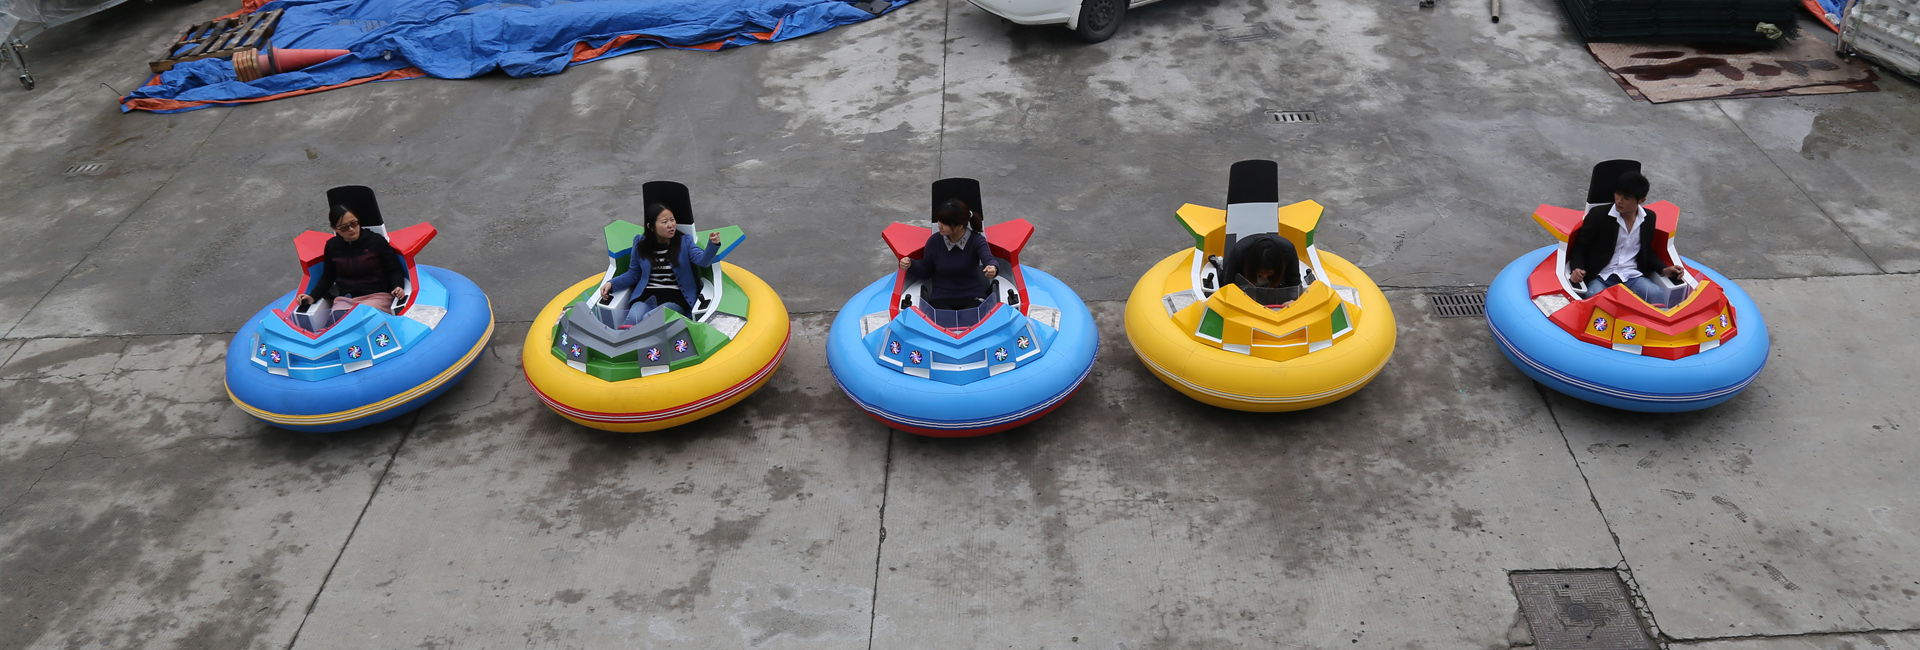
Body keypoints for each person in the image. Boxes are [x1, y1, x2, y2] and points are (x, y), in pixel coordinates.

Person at [1565, 171, 1683, 306]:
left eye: (1626, 198)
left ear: (1641, 200)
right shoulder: (1598, 215)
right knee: (1597, 299)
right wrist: (1577, 268)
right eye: (1618, 194)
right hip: (1601, 276)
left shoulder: (1649, 218)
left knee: (1655, 293)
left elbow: (1646, 250)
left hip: (1632, 275)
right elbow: (1580, 247)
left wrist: (1663, 269)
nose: (1619, 201)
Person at [600, 202, 722, 325]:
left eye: (672, 220)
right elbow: (633, 274)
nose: (670, 225)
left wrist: (713, 245)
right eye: (664, 222)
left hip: (675, 297)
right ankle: (623, 337)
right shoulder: (640, 244)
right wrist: (611, 284)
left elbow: (703, 261)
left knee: (650, 320)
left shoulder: (685, 242)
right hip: (646, 295)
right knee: (633, 319)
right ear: (651, 227)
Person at [297, 204, 408, 322]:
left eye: (354, 223)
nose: (351, 229)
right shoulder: (332, 246)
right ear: (335, 229)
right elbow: (328, 277)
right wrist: (312, 296)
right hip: (346, 300)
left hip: (377, 296)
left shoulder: (376, 241)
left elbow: (394, 269)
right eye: (344, 227)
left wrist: (397, 286)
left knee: (361, 317)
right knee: (337, 320)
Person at [898, 198, 998, 311]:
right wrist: (910, 265)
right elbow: (926, 271)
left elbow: (988, 259)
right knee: (941, 320)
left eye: (944, 223)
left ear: (959, 226)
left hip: (973, 297)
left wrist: (992, 268)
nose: (939, 225)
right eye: (939, 221)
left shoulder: (977, 241)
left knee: (974, 317)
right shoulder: (934, 241)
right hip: (941, 299)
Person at [1233, 235, 1302, 308]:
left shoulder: (1289, 251)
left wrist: (1293, 300)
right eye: (1260, 273)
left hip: (1277, 293)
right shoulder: (1238, 253)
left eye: (1269, 272)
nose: (1264, 276)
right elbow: (1229, 284)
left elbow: (1294, 282)